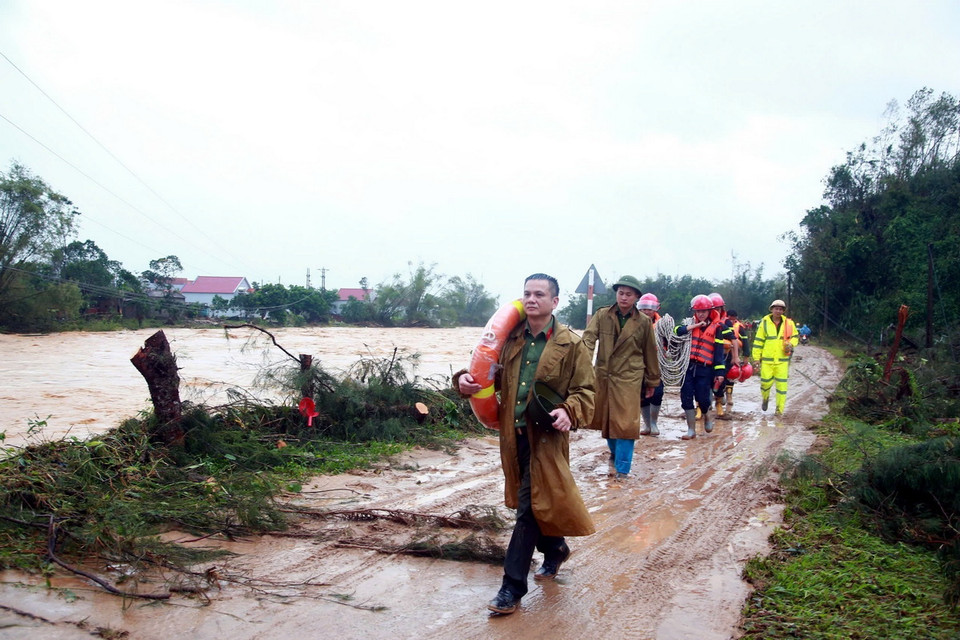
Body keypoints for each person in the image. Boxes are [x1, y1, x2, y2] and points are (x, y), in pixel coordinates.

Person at [455, 273, 596, 615]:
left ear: (554, 302)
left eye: (539, 294)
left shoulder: (571, 345)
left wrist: (568, 411)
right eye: (527, 294)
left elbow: (587, 393)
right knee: (532, 503)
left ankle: (511, 588)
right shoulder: (510, 339)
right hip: (513, 436)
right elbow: (488, 373)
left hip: (546, 438)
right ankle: (556, 548)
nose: (532, 299)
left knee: (528, 510)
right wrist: (462, 380)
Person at [581, 276, 661, 478]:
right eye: (621, 293)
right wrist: (581, 369)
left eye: (629, 294)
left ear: (636, 298)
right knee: (607, 419)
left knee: (626, 423)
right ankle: (616, 454)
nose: (624, 297)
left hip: (629, 378)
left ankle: (623, 469)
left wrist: (652, 380)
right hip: (604, 375)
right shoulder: (602, 315)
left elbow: (650, 352)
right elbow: (588, 341)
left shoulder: (643, 322)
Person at [674, 295, 727, 439]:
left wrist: (720, 372)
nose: (701, 314)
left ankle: (707, 415)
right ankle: (691, 430)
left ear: (710, 311)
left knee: (703, 399)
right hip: (688, 367)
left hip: (705, 368)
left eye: (704, 311)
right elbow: (676, 332)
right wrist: (695, 326)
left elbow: (719, 352)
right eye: (698, 311)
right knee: (686, 397)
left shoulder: (718, 328)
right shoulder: (689, 323)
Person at [752, 299, 799, 415]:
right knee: (765, 383)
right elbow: (758, 341)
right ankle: (765, 398)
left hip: (782, 361)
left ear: (783, 311)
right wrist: (756, 358)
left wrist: (791, 343)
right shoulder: (764, 323)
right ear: (772, 309)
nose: (778, 311)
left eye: (780, 309)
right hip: (767, 360)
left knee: (782, 387)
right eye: (776, 308)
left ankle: (779, 410)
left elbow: (795, 336)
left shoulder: (789, 323)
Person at [707, 293, 741, 420]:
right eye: (713, 309)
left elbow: (733, 339)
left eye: (718, 308)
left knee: (720, 381)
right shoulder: (702, 321)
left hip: (722, 357)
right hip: (706, 357)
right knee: (702, 382)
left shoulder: (725, 322)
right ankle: (701, 406)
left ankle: (719, 404)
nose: (715, 311)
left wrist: (735, 357)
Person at [637, 292, 665, 436]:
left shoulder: (663, 325)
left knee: (657, 393)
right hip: (639, 365)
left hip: (657, 365)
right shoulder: (634, 323)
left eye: (649, 308)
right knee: (642, 395)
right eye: (643, 308)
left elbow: (672, 340)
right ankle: (647, 425)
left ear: (656, 309)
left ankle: (654, 423)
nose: (646, 311)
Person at [723, 309, 751, 408]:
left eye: (733, 320)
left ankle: (729, 396)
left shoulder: (739, 327)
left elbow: (745, 342)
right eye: (729, 320)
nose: (731, 322)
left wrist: (746, 356)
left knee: (731, 375)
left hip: (733, 355)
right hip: (721, 354)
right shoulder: (721, 324)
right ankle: (719, 396)